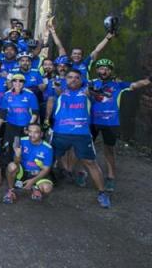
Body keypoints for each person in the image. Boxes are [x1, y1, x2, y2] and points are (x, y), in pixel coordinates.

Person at [47, 68, 111, 208]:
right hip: (60, 133)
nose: (73, 80)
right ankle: (42, 182)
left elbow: (105, 96)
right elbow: (54, 92)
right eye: (70, 77)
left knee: (90, 162)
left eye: (77, 77)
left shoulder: (86, 92)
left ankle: (102, 193)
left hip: (81, 134)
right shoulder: (60, 91)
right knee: (49, 159)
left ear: (81, 80)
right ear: (65, 79)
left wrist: (95, 90)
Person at [88, 59, 151, 191]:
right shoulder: (92, 83)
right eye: (101, 68)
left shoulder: (118, 84)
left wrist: (149, 80)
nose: (104, 71)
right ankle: (83, 173)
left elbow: (135, 85)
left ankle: (111, 177)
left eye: (107, 69)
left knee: (109, 150)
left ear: (111, 71)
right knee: (86, 148)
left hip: (110, 122)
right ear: (97, 70)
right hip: (92, 121)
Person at [3, 123, 53, 204]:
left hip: (37, 173)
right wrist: (18, 155)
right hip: (22, 171)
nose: (32, 135)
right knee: (11, 166)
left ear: (41, 134)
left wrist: (32, 181)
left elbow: (46, 169)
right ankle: (10, 190)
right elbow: (16, 163)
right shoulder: (21, 141)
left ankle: (35, 187)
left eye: (36, 132)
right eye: (30, 132)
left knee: (47, 188)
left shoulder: (47, 148)